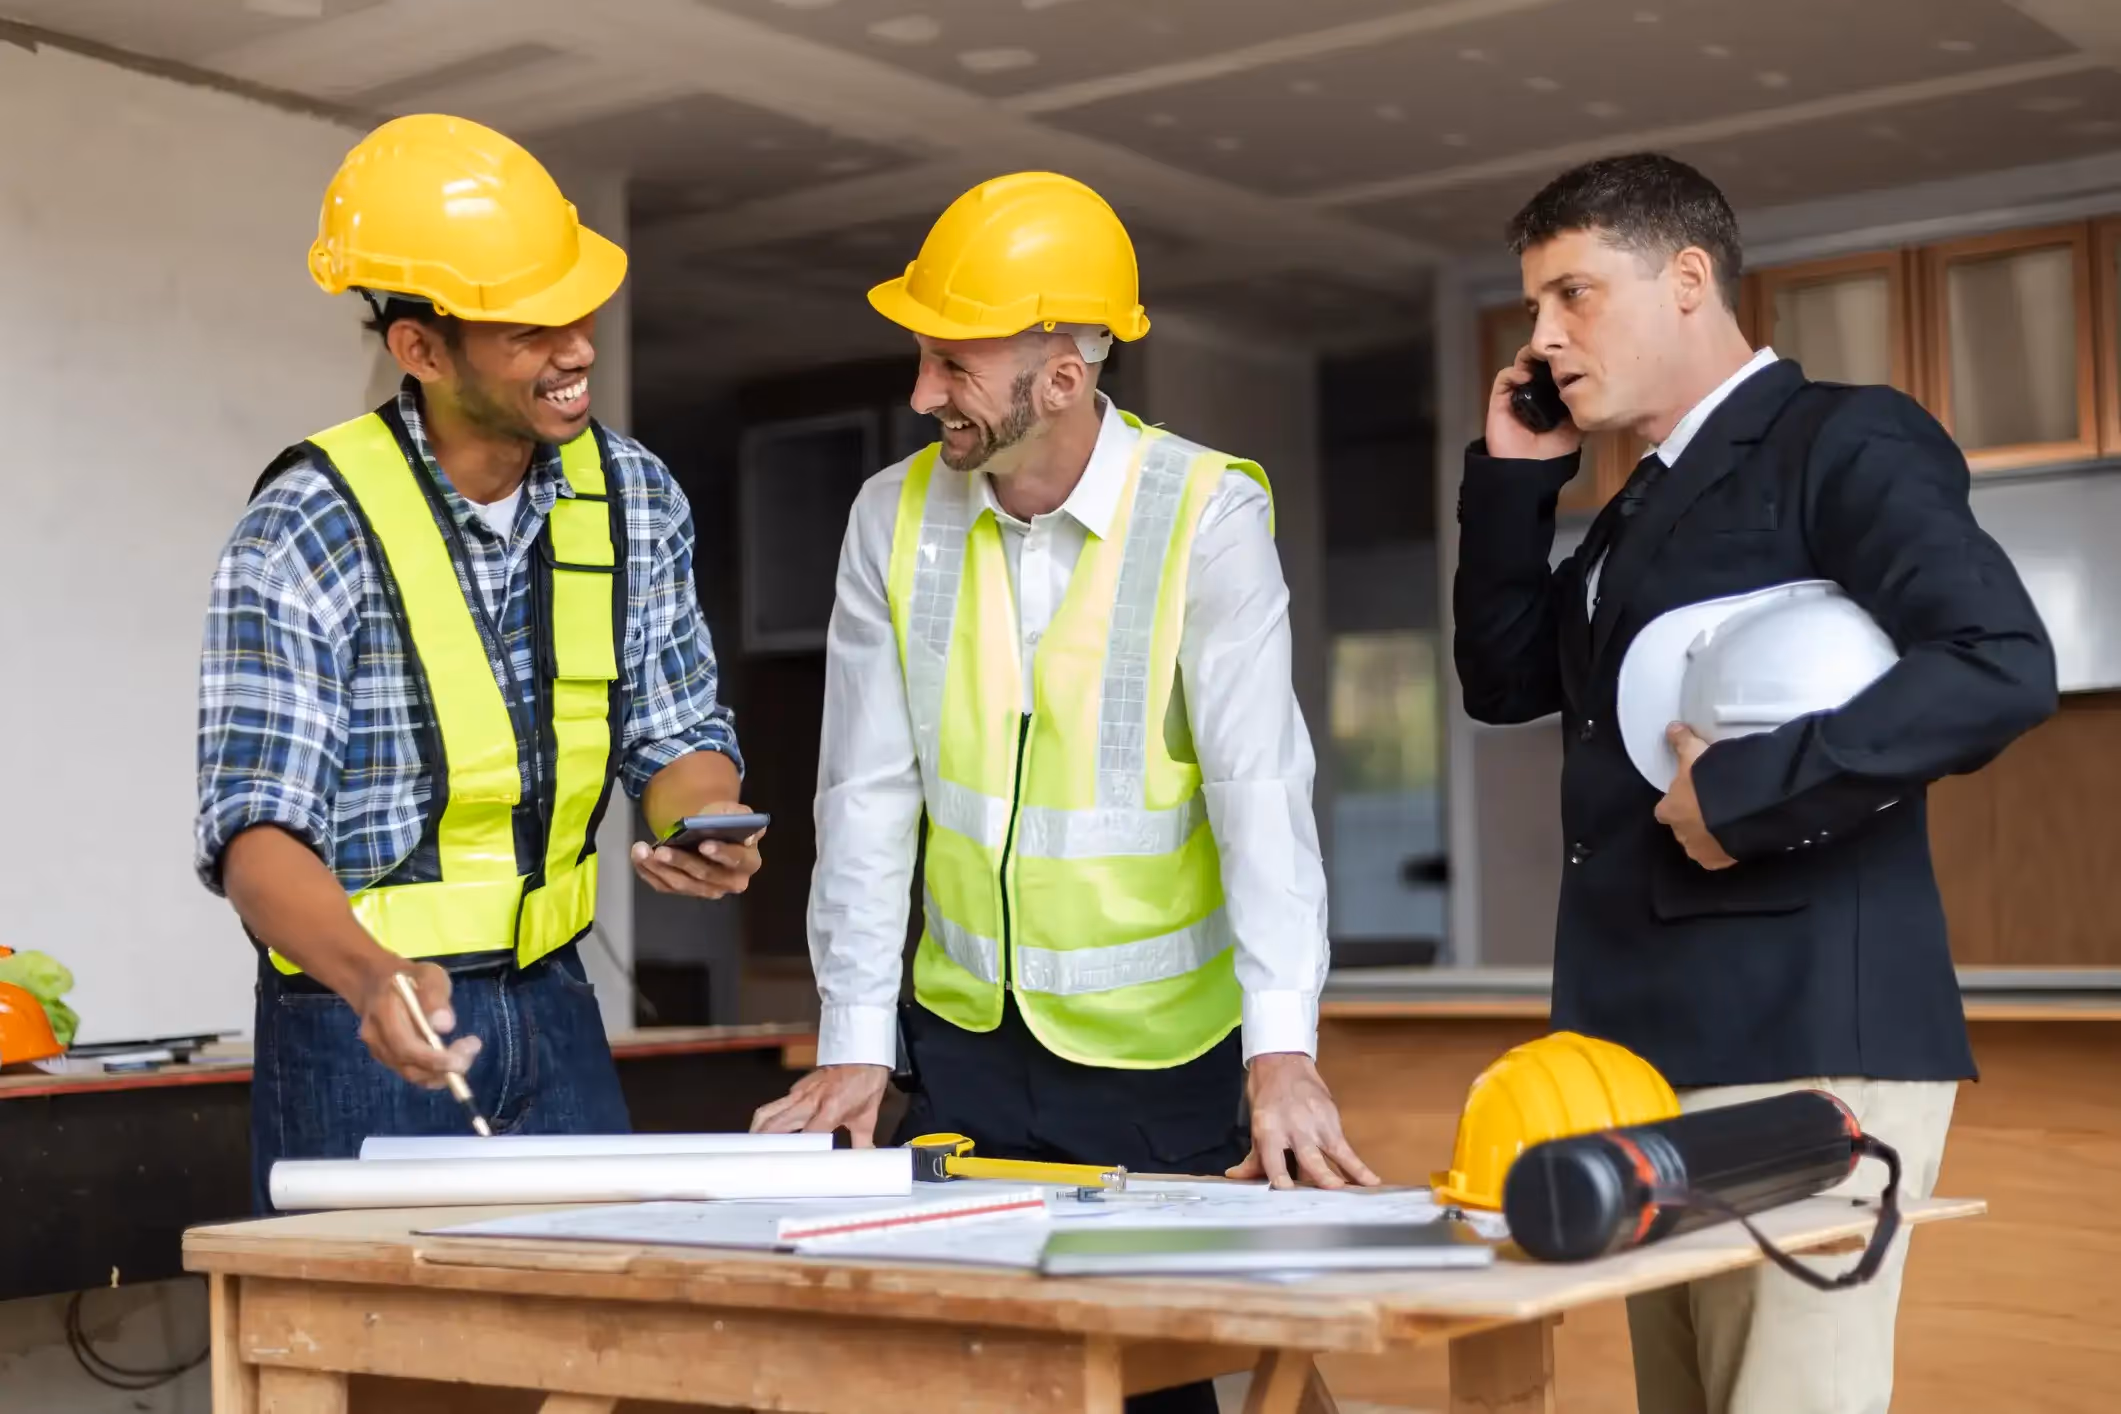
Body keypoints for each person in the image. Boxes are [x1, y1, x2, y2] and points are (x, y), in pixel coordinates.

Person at [751, 168, 1375, 1413]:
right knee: (978, 1379)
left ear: (1065, 375)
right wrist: (856, 1041)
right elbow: (866, 793)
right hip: (970, 1047)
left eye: (952, 363)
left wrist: (1284, 1049)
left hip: (1161, 1065)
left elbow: (1263, 788)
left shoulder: (1205, 512)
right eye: (924, 359)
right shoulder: (892, 515)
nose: (922, 392)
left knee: (1169, 1386)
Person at [1453, 151, 2057, 1414]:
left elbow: (1997, 662)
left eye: (1573, 296)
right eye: (1533, 310)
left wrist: (1743, 797)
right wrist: (1515, 480)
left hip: (1802, 1040)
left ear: (1687, 279)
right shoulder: (1632, 510)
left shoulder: (1843, 437)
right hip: (1639, 1049)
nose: (1546, 338)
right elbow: (1508, 681)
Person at [195, 114, 761, 1213]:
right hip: (358, 1022)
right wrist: (373, 981)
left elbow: (679, 726)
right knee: (383, 1367)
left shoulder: (634, 494)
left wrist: (708, 822)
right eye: (529, 328)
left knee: (595, 1344)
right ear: (420, 348)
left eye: (579, 309)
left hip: (556, 1004)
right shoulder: (310, 522)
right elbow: (256, 835)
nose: (579, 347)